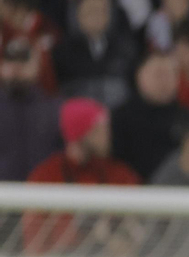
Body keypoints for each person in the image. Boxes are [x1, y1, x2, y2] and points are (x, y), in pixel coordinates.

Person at [27, 97, 140, 185]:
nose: (108, 136)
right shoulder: (47, 176)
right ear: (81, 133)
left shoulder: (120, 176)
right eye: (98, 130)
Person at [111, 51, 184, 182]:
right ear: (140, 75)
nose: (165, 81)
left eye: (171, 74)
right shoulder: (119, 118)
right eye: (158, 74)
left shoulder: (186, 117)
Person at [0, 37, 56, 182]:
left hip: (42, 197)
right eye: (10, 60)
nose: (16, 67)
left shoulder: (55, 109)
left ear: (38, 65)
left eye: (23, 60)